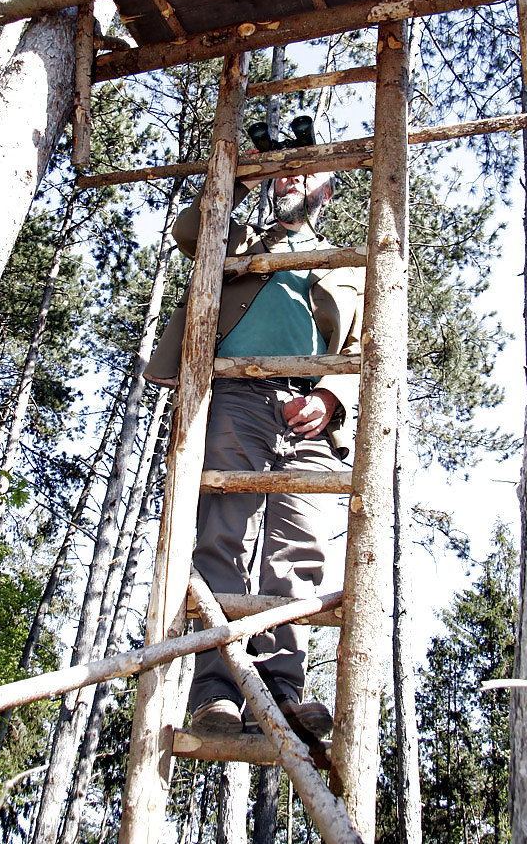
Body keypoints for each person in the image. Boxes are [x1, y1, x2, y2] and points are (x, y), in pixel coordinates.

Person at [145, 165, 364, 739]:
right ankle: (218, 691)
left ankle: (282, 691)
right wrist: (240, 179)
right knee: (226, 533)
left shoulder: (347, 264)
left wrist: (330, 394)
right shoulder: (239, 239)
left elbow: (365, 345)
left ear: (328, 190)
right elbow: (192, 231)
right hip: (236, 392)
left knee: (302, 545)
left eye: (306, 172)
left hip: (309, 412)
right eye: (283, 173)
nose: (292, 179)